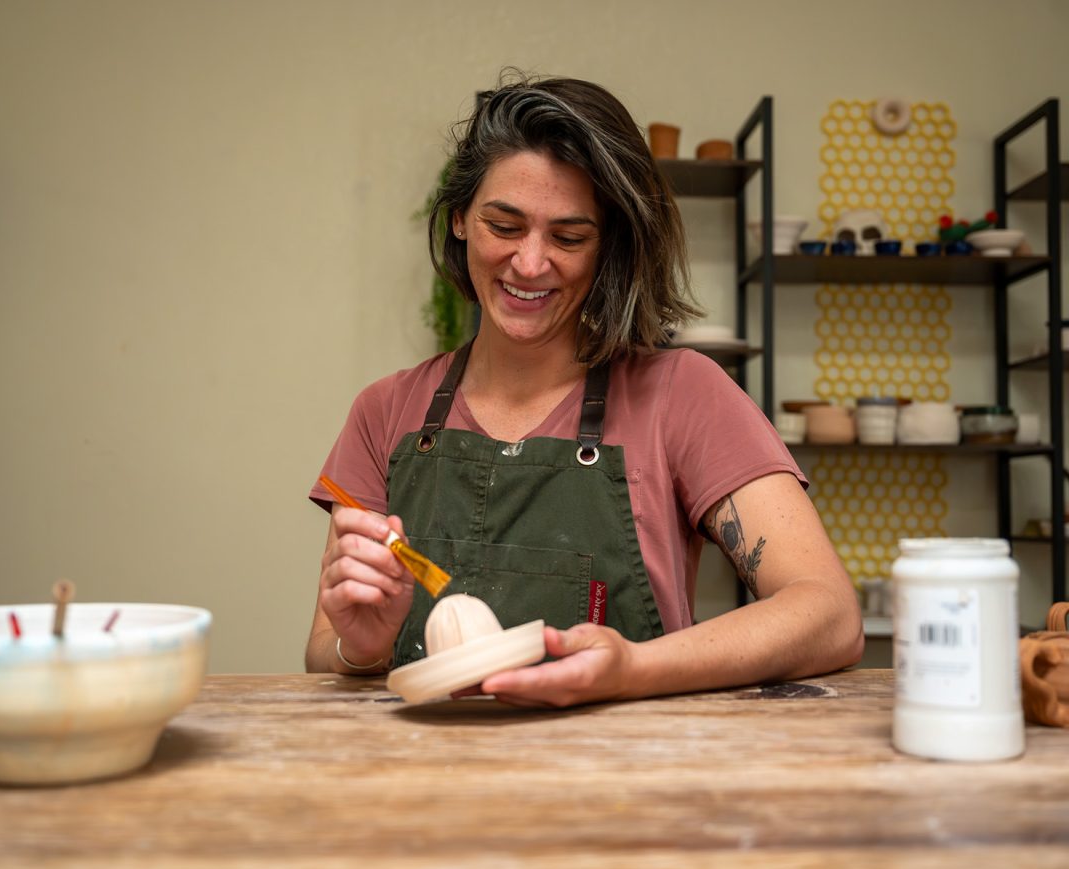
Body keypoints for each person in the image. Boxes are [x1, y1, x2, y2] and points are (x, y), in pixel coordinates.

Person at [305, 73, 864, 707]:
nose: (531, 264)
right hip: (423, 786)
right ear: (460, 219)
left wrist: (636, 668)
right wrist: (363, 646)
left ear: (608, 249)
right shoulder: (385, 412)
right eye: (504, 225)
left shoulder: (682, 395)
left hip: (622, 788)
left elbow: (830, 614)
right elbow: (325, 649)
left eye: (569, 237)